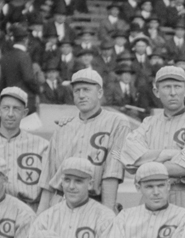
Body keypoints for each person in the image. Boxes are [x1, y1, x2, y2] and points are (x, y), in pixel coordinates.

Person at [114, 66, 185, 209]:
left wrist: (146, 163)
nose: (172, 93)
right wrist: (167, 154)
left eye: (177, 86)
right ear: (156, 92)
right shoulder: (148, 123)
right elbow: (128, 157)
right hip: (150, 198)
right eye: (166, 87)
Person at [37, 68, 132, 213]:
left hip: (95, 202)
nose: (81, 95)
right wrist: (40, 218)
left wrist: (107, 215)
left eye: (86, 90)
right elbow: (48, 180)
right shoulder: (62, 127)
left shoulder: (117, 123)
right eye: (77, 91)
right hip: (60, 204)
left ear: (99, 93)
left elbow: (112, 174)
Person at [28, 157, 116, 238]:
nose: (71, 186)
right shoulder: (46, 218)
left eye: (78, 181)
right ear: (61, 182)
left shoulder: (105, 217)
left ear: (90, 184)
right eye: (67, 180)